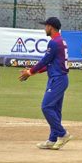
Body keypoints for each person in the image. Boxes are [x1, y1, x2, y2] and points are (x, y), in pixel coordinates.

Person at [19, 17, 73, 150]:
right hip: (59, 78)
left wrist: (30, 72)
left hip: (58, 79)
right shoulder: (61, 41)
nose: (45, 29)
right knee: (55, 110)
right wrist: (33, 72)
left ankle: (63, 134)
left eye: (46, 26)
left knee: (46, 107)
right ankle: (52, 139)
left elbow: (44, 61)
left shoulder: (54, 43)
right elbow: (50, 64)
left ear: (51, 27)